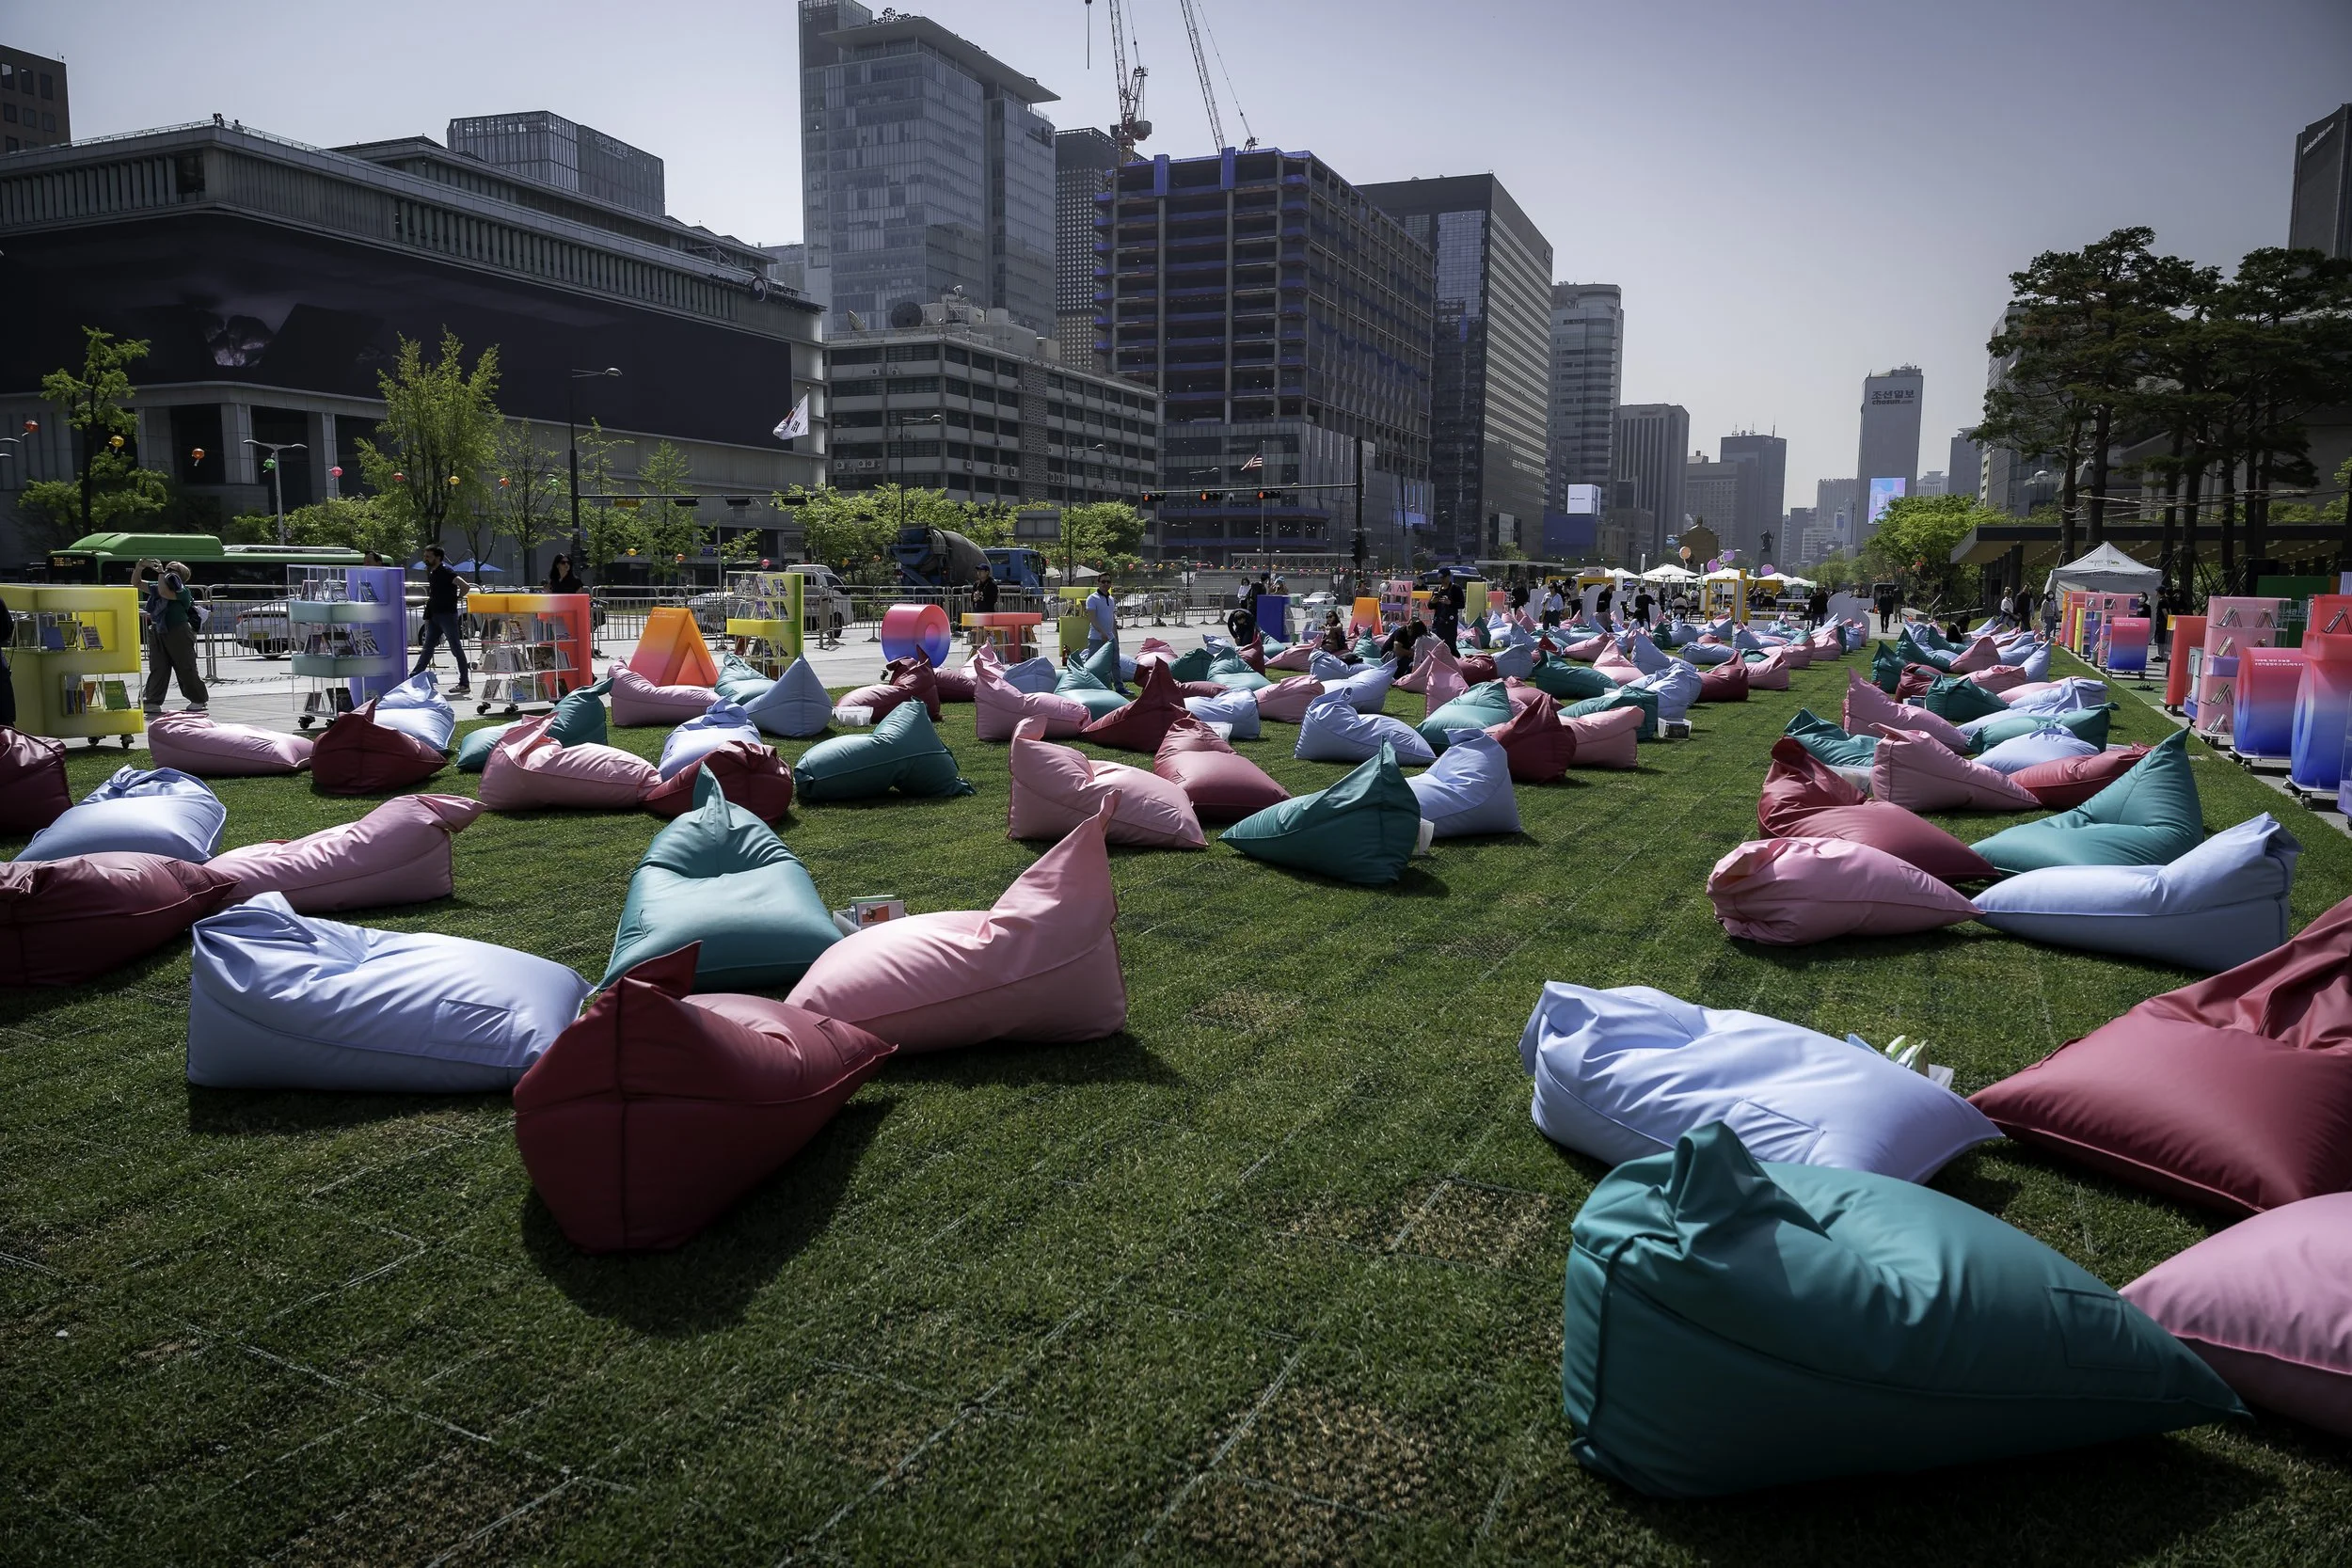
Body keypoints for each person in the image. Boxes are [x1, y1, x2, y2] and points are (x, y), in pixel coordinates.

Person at [141, 560, 208, 717]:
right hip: (158, 630)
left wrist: (160, 573)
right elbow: (136, 583)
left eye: (173, 570)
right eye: (168, 568)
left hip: (178, 629)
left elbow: (165, 593)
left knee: (185, 665)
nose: (168, 572)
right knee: (158, 666)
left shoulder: (182, 591)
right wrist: (139, 567)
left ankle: (198, 699)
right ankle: (151, 701)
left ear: (181, 576)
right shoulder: (158, 584)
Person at [412, 545, 472, 694]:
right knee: (427, 647)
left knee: (456, 648)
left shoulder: (446, 571)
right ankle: (413, 677)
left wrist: (457, 598)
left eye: (428, 556)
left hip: (446, 615)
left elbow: (465, 586)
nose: (425, 559)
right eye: (425, 556)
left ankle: (464, 683)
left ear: (437, 557)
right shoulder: (433, 572)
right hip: (434, 615)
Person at [1083, 579, 1119, 662]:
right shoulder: (1092, 598)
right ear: (1098, 583)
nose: (1106, 584)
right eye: (1103, 581)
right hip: (1096, 637)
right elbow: (1093, 619)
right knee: (1093, 663)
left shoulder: (1111, 599)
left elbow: (1112, 618)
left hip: (1110, 637)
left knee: (1115, 662)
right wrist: (1102, 632)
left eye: (1108, 582)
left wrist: (1115, 637)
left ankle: (1116, 676)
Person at [1429, 579, 1460, 647]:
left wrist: (1450, 602)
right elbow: (1430, 606)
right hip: (1438, 621)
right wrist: (1433, 601)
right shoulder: (1437, 589)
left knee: (1450, 645)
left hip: (1450, 622)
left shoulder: (1455, 590)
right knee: (1436, 644)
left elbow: (1461, 605)